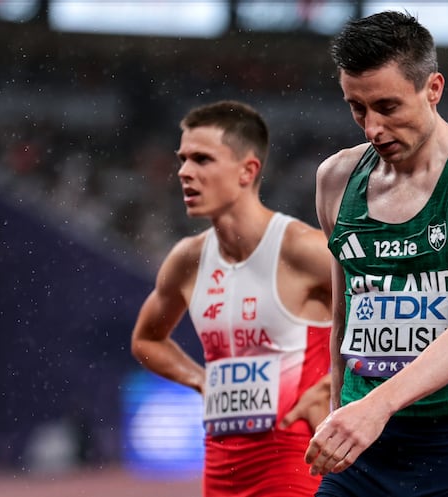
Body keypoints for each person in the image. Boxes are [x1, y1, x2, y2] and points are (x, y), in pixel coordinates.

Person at [304, 11, 448, 497]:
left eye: (388, 106)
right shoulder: (335, 179)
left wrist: (376, 407)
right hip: (360, 449)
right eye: (357, 108)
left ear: (433, 88)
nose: (372, 127)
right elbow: (344, 318)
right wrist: (341, 413)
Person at [130, 100, 333, 497]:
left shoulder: (302, 249)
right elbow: (146, 339)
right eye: (183, 159)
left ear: (247, 171)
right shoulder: (187, 259)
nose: (184, 172)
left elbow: (389, 317)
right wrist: (200, 380)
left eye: (202, 159)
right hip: (221, 471)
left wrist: (334, 385)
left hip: (296, 466)